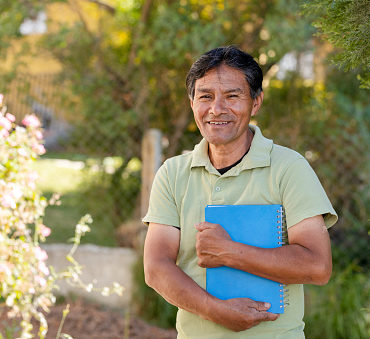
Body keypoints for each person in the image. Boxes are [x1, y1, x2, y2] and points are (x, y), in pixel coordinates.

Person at [143, 45, 337, 338]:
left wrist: (228, 252)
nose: (217, 109)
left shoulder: (289, 168)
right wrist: (215, 310)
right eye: (205, 96)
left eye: (232, 96)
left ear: (255, 102)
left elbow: (317, 266)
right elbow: (156, 268)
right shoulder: (172, 174)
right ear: (192, 102)